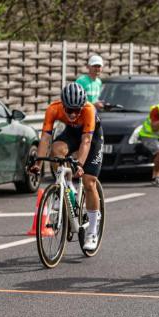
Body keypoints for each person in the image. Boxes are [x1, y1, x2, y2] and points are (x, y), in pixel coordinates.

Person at [30, 83, 105, 251]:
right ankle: (66, 186)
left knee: (89, 182)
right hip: (71, 133)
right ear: (62, 105)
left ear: (82, 107)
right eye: (69, 110)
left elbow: (86, 141)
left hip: (92, 137)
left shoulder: (89, 110)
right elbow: (45, 139)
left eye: (76, 110)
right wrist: (38, 164)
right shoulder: (53, 109)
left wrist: (80, 164)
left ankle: (92, 232)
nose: (72, 114)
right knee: (56, 150)